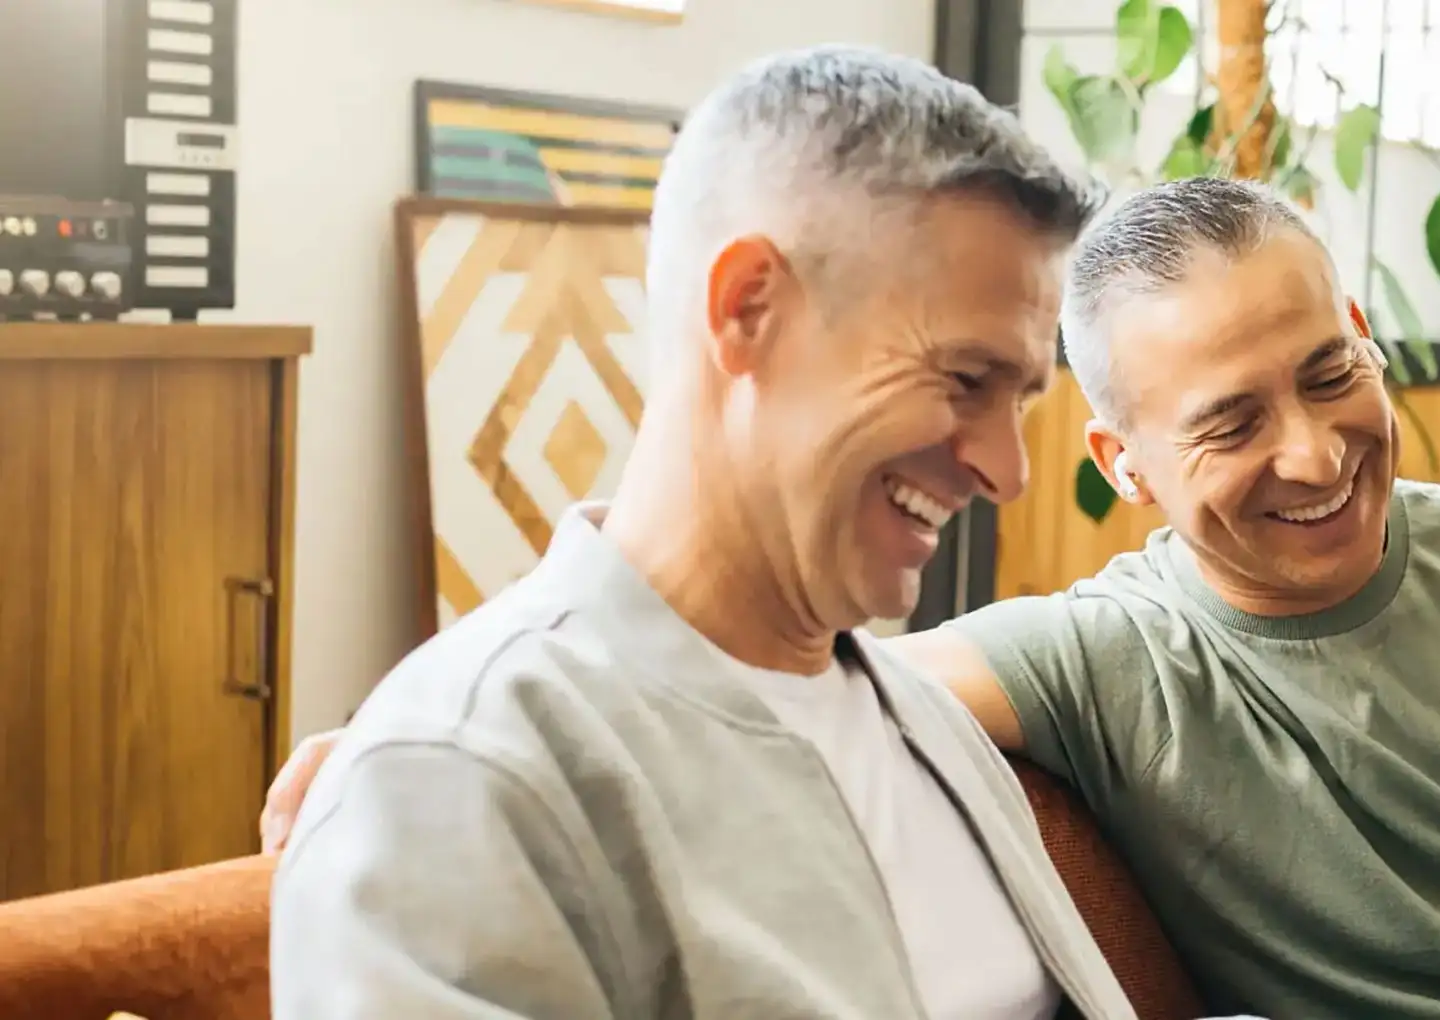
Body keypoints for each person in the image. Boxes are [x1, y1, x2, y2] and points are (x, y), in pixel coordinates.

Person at [265, 176, 1440, 1020]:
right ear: (1117, 459)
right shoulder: (1107, 660)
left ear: (1361, 331)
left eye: (1330, 374)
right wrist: (424, 725)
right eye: (1232, 423)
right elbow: (791, 681)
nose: (1318, 452)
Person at [267, 45, 1151, 1020]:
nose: (1008, 470)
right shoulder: (460, 778)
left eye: (1021, 398)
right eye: (965, 381)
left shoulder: (927, 725)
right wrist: (429, 756)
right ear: (747, 309)